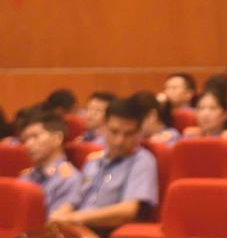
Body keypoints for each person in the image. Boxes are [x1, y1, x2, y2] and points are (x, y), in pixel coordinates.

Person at [51, 96, 159, 229]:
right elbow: (75, 199)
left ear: (139, 133)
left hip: (105, 231)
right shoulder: (94, 160)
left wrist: (74, 218)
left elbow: (128, 210)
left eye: (129, 134)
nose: (119, 141)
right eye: (114, 132)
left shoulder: (143, 161)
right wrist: (59, 215)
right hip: (77, 228)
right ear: (104, 127)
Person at [18, 108, 83, 217]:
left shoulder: (70, 180)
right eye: (25, 139)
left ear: (57, 138)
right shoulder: (27, 176)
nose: (28, 144)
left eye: (35, 136)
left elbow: (53, 223)